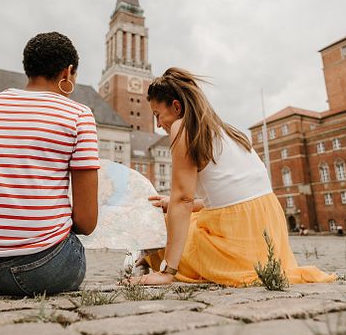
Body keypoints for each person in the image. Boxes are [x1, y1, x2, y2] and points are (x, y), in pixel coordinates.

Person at [133, 68, 335, 286]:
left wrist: (167, 272)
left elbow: (183, 200)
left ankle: (154, 264)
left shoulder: (182, 127)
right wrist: (169, 202)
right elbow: (227, 199)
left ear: (176, 107)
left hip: (236, 242)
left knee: (160, 227)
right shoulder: (225, 130)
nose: (158, 125)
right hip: (267, 232)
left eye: (157, 115)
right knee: (182, 216)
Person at [0, 32, 100, 296]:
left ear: (27, 67)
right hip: (41, 270)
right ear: (68, 72)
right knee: (73, 246)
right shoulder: (78, 115)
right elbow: (86, 222)